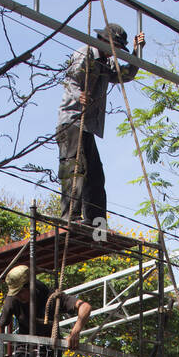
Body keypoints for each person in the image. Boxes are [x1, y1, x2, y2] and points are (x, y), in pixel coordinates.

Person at [56, 22, 146, 228]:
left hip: (87, 127)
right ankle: (70, 216)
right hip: (72, 121)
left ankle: (97, 222)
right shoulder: (85, 54)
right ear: (103, 41)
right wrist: (80, 95)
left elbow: (127, 75)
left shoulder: (107, 63)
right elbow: (70, 80)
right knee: (75, 167)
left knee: (95, 175)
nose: (113, 54)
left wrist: (136, 52)